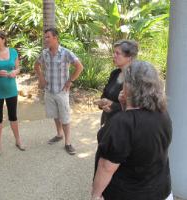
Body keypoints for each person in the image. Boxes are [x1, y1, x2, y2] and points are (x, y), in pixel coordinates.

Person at [92, 61, 173, 200]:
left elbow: (106, 167)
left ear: (129, 86)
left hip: (128, 193)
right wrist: (125, 104)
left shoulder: (121, 123)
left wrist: (96, 195)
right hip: (161, 190)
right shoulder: (162, 113)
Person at [34, 28, 83, 155]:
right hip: (49, 91)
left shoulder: (66, 53)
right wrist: (41, 78)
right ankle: (59, 134)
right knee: (55, 114)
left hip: (62, 91)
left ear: (55, 38)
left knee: (65, 117)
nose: (45, 40)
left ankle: (68, 142)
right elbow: (36, 65)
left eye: (48, 37)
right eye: (45, 37)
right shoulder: (44, 53)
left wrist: (70, 81)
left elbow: (79, 67)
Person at [97, 40, 138, 126]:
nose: (113, 56)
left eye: (117, 53)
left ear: (129, 57)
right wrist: (103, 103)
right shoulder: (114, 73)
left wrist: (112, 106)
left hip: (123, 125)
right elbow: (104, 95)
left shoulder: (136, 77)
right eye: (114, 52)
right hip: (107, 122)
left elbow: (136, 108)